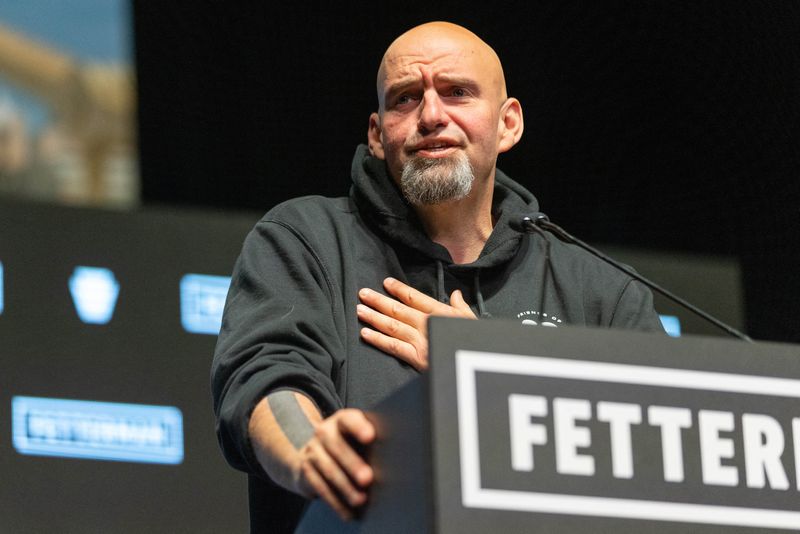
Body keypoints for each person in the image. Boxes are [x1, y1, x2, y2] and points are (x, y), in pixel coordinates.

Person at [211, 21, 664, 533]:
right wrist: (309, 449)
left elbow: (653, 459)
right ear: (378, 135)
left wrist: (492, 372)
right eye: (405, 99)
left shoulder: (603, 292)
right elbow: (267, 379)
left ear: (508, 123)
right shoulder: (305, 239)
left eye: (457, 93)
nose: (431, 115)